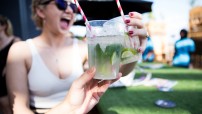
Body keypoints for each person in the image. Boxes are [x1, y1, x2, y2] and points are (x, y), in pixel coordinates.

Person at [6, 0, 148, 114]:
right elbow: (19, 110)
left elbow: (117, 70)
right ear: (40, 10)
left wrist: (134, 51)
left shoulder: (83, 47)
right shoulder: (20, 51)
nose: (69, 10)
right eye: (61, 4)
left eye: (73, 6)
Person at [0, 15, 21, 114]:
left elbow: (21, 60)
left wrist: (7, 67)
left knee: (10, 105)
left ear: (3, 26)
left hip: (11, 79)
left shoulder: (15, 41)